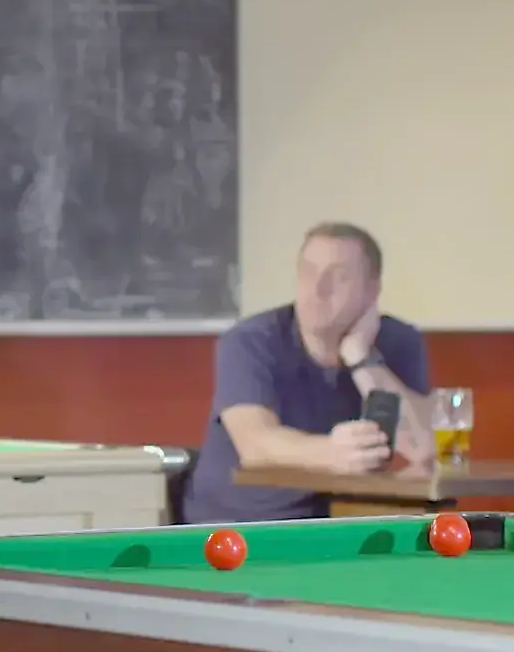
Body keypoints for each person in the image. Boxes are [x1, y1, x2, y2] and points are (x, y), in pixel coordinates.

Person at [181, 221, 435, 525]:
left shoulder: (398, 340)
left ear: (372, 290)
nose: (318, 289)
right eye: (308, 272)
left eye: (338, 276)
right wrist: (332, 453)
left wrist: (361, 359)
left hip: (339, 520)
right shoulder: (251, 341)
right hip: (238, 525)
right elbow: (255, 445)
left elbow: (422, 447)